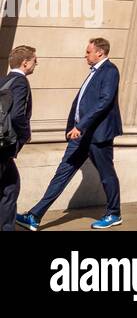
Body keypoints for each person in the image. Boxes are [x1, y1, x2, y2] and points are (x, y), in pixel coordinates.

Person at [17, 37, 123, 231]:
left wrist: (81, 125)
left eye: (88, 52)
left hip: (97, 135)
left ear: (100, 52)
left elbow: (104, 101)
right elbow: (84, 102)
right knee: (62, 174)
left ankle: (114, 213)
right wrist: (73, 127)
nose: (85, 55)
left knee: (107, 174)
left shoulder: (110, 71)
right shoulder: (94, 72)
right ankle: (34, 216)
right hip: (79, 136)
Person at [1, 46, 36, 232]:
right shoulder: (20, 82)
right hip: (4, 145)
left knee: (10, 186)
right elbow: (17, 116)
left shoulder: (4, 80)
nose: (35, 64)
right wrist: (25, 134)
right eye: (34, 61)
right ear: (25, 62)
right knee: (10, 187)